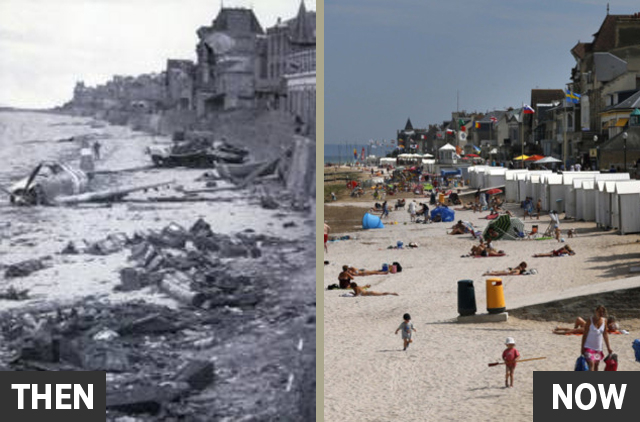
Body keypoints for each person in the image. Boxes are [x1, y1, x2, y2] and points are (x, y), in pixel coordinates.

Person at [581, 305, 614, 371]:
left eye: (603, 312)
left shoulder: (604, 321)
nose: (601, 313)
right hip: (588, 347)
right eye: (600, 311)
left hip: (598, 348)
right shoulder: (590, 320)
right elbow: (585, 334)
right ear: (596, 311)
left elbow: (605, 335)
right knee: (591, 363)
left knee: (596, 366)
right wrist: (582, 347)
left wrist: (608, 348)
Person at [553, 315, 619, 335]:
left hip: (589, 328)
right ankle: (560, 329)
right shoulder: (604, 322)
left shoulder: (605, 325)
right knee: (578, 319)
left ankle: (558, 332)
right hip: (589, 326)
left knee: (574, 330)